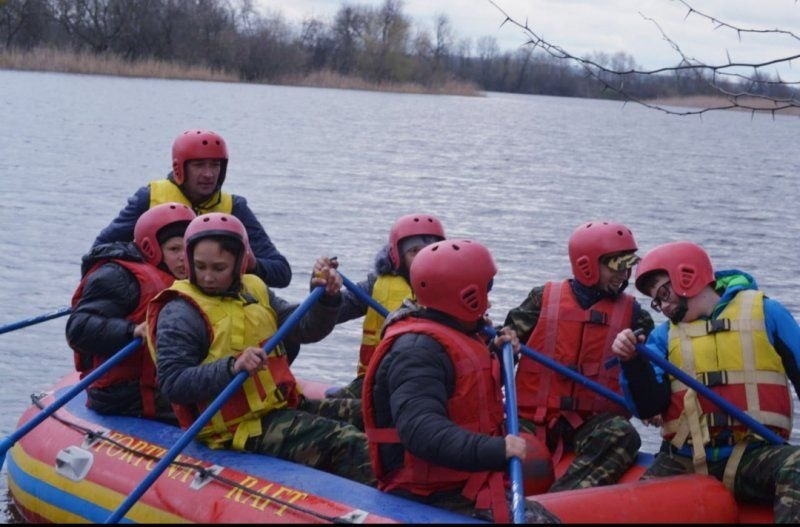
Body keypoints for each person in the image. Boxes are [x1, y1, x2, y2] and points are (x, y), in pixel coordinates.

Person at [148, 212, 375, 486]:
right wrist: (232, 367)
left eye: (219, 268)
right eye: (200, 266)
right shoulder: (180, 311)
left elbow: (304, 328)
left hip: (279, 406)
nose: (207, 277)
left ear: (240, 264)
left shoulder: (254, 288)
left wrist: (326, 299)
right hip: (238, 429)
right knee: (347, 443)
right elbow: (173, 383)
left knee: (371, 412)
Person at [363, 239, 560, 523]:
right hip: (429, 491)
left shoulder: (456, 331)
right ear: (465, 294)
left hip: (464, 479)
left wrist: (499, 356)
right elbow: (421, 431)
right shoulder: (417, 351)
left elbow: (467, 391)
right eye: (486, 288)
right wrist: (498, 449)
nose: (489, 299)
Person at [611, 241, 800, 523]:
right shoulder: (662, 337)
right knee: (630, 510)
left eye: (664, 292)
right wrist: (632, 362)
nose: (662, 306)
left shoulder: (767, 313)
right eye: (656, 300)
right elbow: (649, 405)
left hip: (755, 455)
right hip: (682, 460)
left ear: (688, 276)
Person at [503, 220, 654, 491]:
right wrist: (505, 342)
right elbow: (501, 352)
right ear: (587, 265)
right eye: (617, 265)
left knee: (623, 433)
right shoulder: (541, 300)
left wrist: (637, 364)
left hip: (591, 424)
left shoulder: (636, 317)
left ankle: (559, 502)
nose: (625, 274)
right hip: (531, 420)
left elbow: (650, 377)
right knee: (498, 438)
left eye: (629, 265)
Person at [94, 129, 291, 288]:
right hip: (156, 300)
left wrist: (253, 265)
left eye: (215, 165)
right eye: (199, 165)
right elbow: (99, 251)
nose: (208, 174)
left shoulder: (234, 208)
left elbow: (281, 273)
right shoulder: (148, 198)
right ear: (180, 168)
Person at [66, 202, 196, 422]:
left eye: (188, 248)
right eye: (174, 249)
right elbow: (78, 328)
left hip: (165, 383)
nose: (184, 257)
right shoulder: (117, 277)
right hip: (125, 395)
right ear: (151, 248)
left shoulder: (198, 278)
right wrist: (131, 331)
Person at [328, 213, 446, 399]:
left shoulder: (453, 289)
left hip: (427, 380)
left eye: (430, 249)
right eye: (414, 251)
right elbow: (334, 311)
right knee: (326, 406)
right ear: (397, 256)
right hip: (375, 382)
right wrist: (328, 294)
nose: (423, 257)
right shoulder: (375, 285)